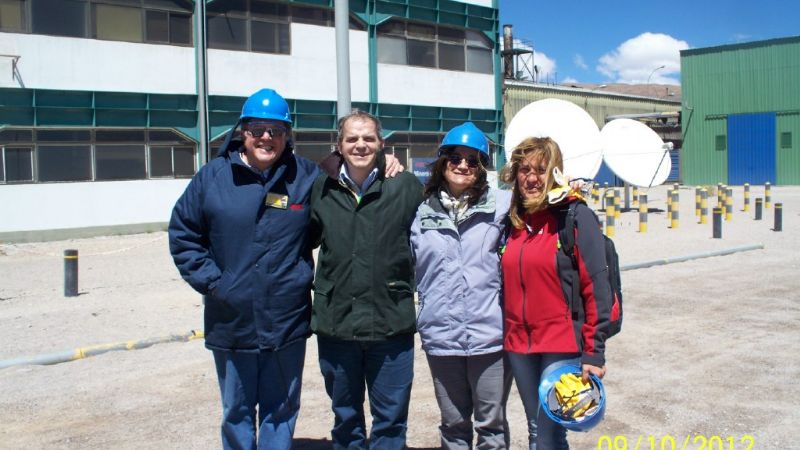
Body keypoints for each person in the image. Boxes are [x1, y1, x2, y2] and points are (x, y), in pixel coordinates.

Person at [168, 89, 402, 450]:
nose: (266, 137)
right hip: (232, 318)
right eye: (258, 129)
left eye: (276, 130)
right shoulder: (212, 178)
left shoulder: (306, 177)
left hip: (286, 318)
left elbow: (347, 166)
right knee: (237, 411)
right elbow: (184, 234)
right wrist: (215, 283)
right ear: (242, 132)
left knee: (281, 409)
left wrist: (385, 161)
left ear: (287, 135)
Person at [308, 110, 424, 450]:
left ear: (381, 144)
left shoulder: (404, 186)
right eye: (352, 139)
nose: (360, 145)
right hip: (337, 325)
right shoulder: (321, 187)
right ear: (339, 146)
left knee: (390, 419)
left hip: (390, 322)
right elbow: (300, 239)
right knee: (345, 416)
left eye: (368, 138)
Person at [499, 136, 612, 450]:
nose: (532, 178)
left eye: (540, 169)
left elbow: (596, 288)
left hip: (561, 344)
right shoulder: (514, 222)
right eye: (524, 169)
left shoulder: (574, 217)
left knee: (549, 434)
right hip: (519, 343)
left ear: (554, 172)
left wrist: (594, 351)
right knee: (537, 427)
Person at [410, 122, 513, 449]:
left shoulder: (503, 207)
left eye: (473, 160)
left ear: (483, 167)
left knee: (491, 425)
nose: (463, 165)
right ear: (442, 163)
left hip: (490, 338)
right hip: (441, 337)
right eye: (455, 158)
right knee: (453, 424)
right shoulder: (420, 213)